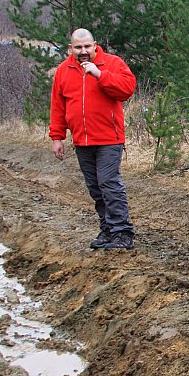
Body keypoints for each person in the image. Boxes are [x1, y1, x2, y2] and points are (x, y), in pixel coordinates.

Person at [49, 28, 138, 250]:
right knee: (95, 187)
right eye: (78, 48)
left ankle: (122, 233)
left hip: (109, 138)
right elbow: (58, 107)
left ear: (94, 45)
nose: (84, 51)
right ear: (71, 49)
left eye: (87, 46)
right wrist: (57, 137)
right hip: (81, 140)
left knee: (109, 183)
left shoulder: (112, 63)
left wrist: (100, 75)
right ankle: (107, 230)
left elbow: (127, 90)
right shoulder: (63, 71)